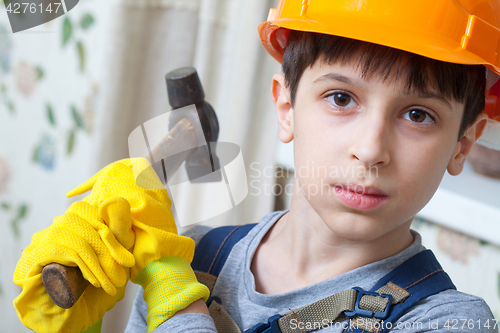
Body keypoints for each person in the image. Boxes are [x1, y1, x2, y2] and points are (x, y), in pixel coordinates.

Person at [124, 0, 500, 332]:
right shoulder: (196, 255)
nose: (370, 151)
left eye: (418, 115)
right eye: (341, 98)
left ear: (463, 144)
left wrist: (174, 297)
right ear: (287, 109)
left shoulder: (448, 321)